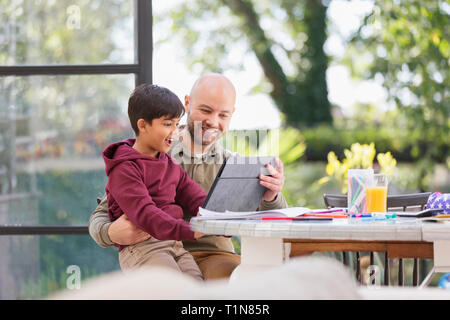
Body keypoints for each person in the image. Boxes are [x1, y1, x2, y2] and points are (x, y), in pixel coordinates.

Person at [89, 73, 288, 280]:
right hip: (158, 250)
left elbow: (278, 224)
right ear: (187, 103)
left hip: (217, 255)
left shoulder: (236, 166)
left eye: (223, 115)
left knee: (243, 283)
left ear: (232, 115)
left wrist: (271, 196)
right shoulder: (151, 155)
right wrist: (110, 232)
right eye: (205, 110)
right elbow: (102, 213)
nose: (213, 121)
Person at [103, 83, 205, 280]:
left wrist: (221, 219)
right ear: (142, 125)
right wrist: (190, 229)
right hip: (142, 247)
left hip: (174, 244)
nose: (174, 132)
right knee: (173, 290)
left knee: (197, 289)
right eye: (167, 124)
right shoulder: (124, 168)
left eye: (177, 124)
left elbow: (196, 197)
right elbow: (146, 214)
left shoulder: (169, 163)